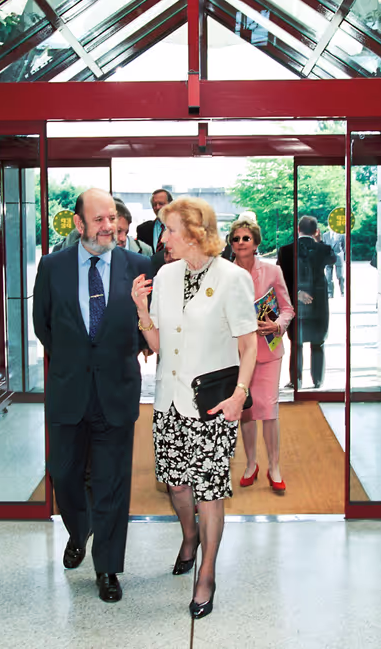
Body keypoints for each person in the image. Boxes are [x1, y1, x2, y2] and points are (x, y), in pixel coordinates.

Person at [130, 196, 257, 620]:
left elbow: (248, 341)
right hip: (168, 401)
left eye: (169, 230)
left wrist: (240, 394)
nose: (162, 238)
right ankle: (190, 537)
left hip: (213, 405)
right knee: (177, 485)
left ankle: (207, 573)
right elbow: (158, 345)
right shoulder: (164, 275)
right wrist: (143, 311)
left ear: (194, 234)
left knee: (209, 491)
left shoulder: (231, 277)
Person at [32, 188, 152, 604]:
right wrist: (74, 358)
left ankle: (107, 568)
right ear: (78, 224)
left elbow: (145, 327)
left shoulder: (138, 265)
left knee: (111, 482)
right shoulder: (52, 266)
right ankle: (78, 528)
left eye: (113, 220)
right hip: (69, 390)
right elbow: (42, 326)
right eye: (99, 220)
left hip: (116, 390)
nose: (109, 227)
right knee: (63, 474)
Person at [228, 217, 294, 492]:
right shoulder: (224, 274)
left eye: (246, 238)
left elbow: (288, 308)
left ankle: (274, 466)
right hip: (236, 353)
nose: (241, 242)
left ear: (256, 243)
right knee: (246, 410)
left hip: (268, 349)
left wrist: (277, 325)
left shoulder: (273, 271)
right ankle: (251, 463)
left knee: (268, 410)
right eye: (236, 239)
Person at [276, 216, 335, 389]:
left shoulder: (285, 250)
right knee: (318, 343)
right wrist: (319, 240)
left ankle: (296, 381)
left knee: (296, 344)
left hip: (295, 301)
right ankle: (317, 381)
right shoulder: (323, 249)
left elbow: (281, 278)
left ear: (297, 229)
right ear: (316, 231)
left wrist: (296, 292)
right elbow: (332, 259)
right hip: (318, 304)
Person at [136, 188, 173, 253]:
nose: (157, 207)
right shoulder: (143, 229)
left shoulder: (180, 228)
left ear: (171, 205)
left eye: (161, 203)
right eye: (154, 205)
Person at [322, 226, 345, 298]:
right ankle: (330, 293)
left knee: (340, 276)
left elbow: (345, 247)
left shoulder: (341, 235)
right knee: (328, 277)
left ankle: (342, 291)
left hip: (338, 257)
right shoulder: (325, 235)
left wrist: (344, 257)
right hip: (328, 258)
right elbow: (323, 246)